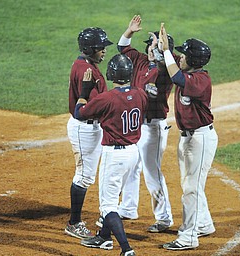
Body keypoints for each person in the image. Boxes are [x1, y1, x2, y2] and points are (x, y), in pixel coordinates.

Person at [77, 54, 149, 256]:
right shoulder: (141, 94)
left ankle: (126, 249)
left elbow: (80, 112)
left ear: (111, 74)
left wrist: (84, 91)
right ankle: (103, 237)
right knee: (114, 196)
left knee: (107, 205)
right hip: (133, 153)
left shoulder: (106, 98)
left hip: (114, 155)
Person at [159, 24, 218, 250]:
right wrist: (161, 46)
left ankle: (188, 237)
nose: (179, 57)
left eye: (183, 54)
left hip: (200, 139)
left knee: (192, 188)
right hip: (188, 138)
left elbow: (176, 76)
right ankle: (203, 224)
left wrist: (166, 52)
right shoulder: (189, 70)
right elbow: (171, 61)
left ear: (192, 60)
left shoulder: (200, 80)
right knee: (190, 185)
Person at [116, 15, 177, 233]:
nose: (149, 49)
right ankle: (128, 208)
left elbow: (173, 61)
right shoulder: (141, 60)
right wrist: (129, 31)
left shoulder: (168, 70)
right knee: (131, 167)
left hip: (153, 127)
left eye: (153, 46)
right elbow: (122, 47)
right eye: (149, 46)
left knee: (152, 173)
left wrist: (164, 49)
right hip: (136, 125)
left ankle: (164, 218)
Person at [64, 27, 113, 239]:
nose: (104, 51)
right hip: (85, 127)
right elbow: (91, 106)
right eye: (101, 48)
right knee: (84, 176)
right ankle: (74, 223)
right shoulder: (87, 70)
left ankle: (102, 215)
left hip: (90, 127)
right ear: (90, 48)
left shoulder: (84, 65)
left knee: (89, 174)